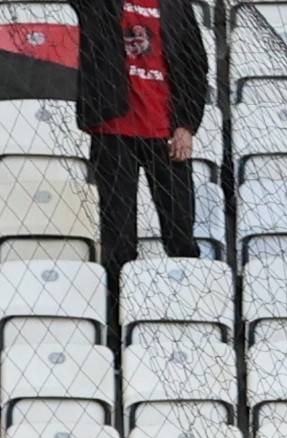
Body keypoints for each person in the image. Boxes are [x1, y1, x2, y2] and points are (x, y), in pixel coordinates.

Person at [76, 0, 207, 272]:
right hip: (112, 130)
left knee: (181, 232)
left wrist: (186, 125)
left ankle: (186, 292)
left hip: (166, 130)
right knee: (118, 238)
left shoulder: (176, 4)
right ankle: (118, 297)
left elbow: (196, 65)